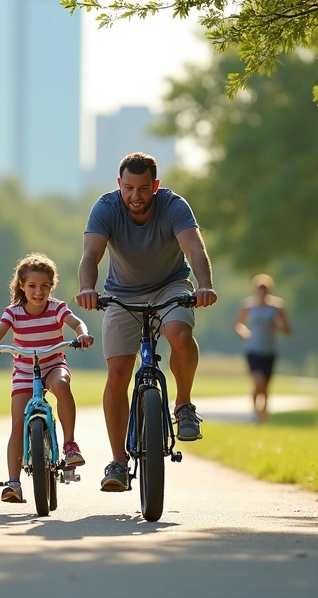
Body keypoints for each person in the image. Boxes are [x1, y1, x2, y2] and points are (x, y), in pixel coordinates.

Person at [75, 152, 218, 492]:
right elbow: (90, 255)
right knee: (117, 373)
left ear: (155, 185)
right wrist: (86, 288)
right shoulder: (106, 208)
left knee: (179, 335)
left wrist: (205, 286)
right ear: (118, 185)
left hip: (170, 285)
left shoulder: (173, 206)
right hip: (121, 293)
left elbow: (195, 249)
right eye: (128, 188)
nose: (135, 196)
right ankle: (118, 463)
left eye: (143, 188)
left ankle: (183, 405)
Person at [0, 253, 94, 503]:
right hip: (24, 370)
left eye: (44, 286)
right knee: (18, 422)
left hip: (53, 364)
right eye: (32, 286)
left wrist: (83, 334)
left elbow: (76, 323)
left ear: (51, 287)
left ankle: (70, 445)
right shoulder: (14, 312)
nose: (38, 292)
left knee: (62, 385)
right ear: (21, 285)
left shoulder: (57, 308)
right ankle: (13, 483)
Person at [234, 274, 292, 424]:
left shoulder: (277, 307)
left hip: (269, 350)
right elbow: (238, 324)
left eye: (265, 289)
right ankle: (255, 412)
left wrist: (277, 326)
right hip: (253, 349)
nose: (262, 292)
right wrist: (244, 333)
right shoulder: (248, 305)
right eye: (260, 289)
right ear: (255, 290)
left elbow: (287, 330)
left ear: (269, 290)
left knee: (265, 386)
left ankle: (263, 415)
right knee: (257, 381)